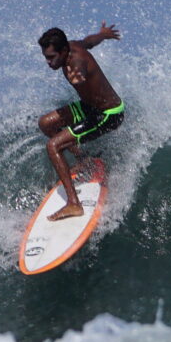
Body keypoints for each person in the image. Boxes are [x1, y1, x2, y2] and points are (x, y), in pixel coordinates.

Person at [36, 23, 123, 221]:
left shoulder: (75, 63)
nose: (48, 62)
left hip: (108, 113)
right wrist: (104, 34)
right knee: (46, 124)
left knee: (53, 146)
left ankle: (74, 204)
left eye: (51, 57)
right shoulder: (73, 45)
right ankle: (84, 160)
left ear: (64, 50)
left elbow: (80, 72)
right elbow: (89, 42)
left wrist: (79, 78)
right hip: (90, 107)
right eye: (46, 57)